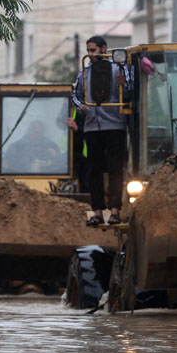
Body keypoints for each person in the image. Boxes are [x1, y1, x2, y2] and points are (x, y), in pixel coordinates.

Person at [71, 35, 131, 226]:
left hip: (115, 126)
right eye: (88, 51)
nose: (91, 54)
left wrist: (124, 84)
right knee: (94, 170)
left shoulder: (118, 68)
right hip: (91, 127)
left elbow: (131, 91)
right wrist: (82, 107)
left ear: (104, 49)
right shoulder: (84, 72)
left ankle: (114, 211)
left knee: (115, 169)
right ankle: (97, 211)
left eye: (94, 50)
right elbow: (74, 95)